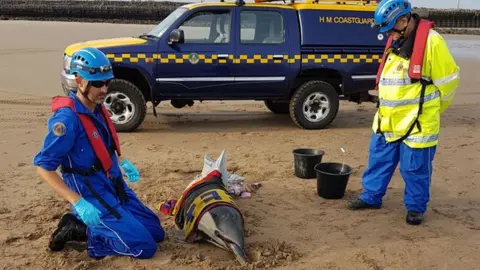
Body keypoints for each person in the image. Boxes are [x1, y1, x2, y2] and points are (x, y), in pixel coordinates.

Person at [33, 47, 165, 258]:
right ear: (79, 81)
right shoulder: (67, 120)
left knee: (156, 232)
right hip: (91, 193)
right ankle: (80, 230)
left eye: (107, 82)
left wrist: (122, 161)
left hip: (113, 183)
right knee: (144, 247)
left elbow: (104, 144)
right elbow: (43, 167)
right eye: (97, 83)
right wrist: (78, 202)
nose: (104, 89)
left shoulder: (98, 107)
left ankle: (98, 225)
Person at [347, 0, 460, 225]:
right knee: (379, 160)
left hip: (418, 123)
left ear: (403, 20)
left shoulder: (432, 42)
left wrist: (432, 112)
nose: (388, 33)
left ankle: (415, 208)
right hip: (387, 119)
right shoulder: (396, 39)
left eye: (389, 28)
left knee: (414, 168)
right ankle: (371, 197)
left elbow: (448, 84)